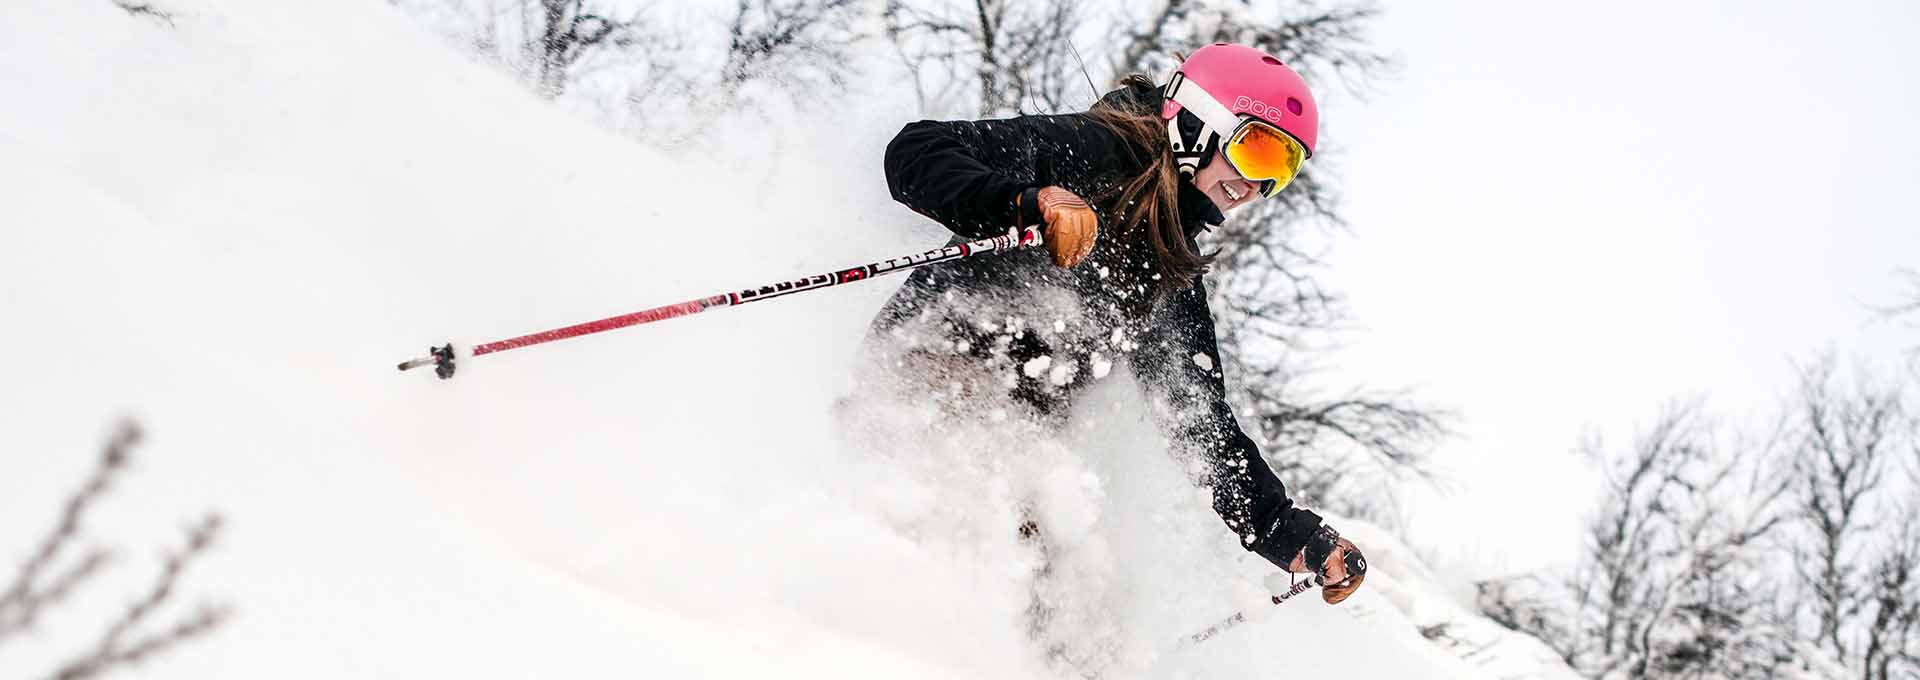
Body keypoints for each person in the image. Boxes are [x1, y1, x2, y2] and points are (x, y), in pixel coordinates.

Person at [868, 42, 1365, 605]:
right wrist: (1027, 203)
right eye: (1257, 152)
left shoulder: (1168, 267)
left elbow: (1198, 419)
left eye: (1283, 169)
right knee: (983, 538)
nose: (1258, 186)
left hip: (1017, 444)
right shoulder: (1096, 152)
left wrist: (1289, 534)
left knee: (1062, 590)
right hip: (929, 382)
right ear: (1200, 121)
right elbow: (917, 150)